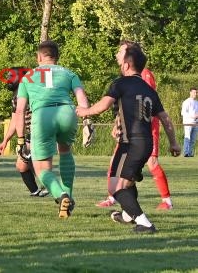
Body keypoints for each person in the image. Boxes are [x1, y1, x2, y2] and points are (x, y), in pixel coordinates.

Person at [77, 43, 181, 233]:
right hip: (145, 143)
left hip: (130, 143)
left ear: (127, 64)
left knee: (115, 187)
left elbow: (102, 106)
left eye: (120, 54)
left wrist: (84, 111)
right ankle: (127, 215)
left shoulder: (121, 83)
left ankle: (145, 223)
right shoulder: (149, 90)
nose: (117, 56)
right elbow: (165, 118)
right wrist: (174, 142)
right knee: (128, 182)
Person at [14, 41, 90, 218]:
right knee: (65, 151)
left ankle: (60, 195)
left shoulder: (28, 77)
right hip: (66, 112)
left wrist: (20, 140)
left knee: (41, 168)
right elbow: (82, 99)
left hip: (42, 116)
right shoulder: (69, 74)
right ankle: (69, 196)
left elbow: (20, 110)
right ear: (57, 57)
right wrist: (87, 121)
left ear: (39, 57)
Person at [96, 42, 174, 210]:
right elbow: (126, 104)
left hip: (144, 126)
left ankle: (166, 201)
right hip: (130, 129)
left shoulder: (143, 75)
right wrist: (117, 123)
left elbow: (141, 104)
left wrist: (85, 111)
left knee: (151, 162)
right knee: (119, 164)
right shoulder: (124, 78)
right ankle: (117, 200)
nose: (117, 53)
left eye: (121, 50)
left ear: (129, 57)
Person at [0, 67, 49, 197]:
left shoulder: (30, 93)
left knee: (29, 159)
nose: (8, 79)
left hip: (39, 132)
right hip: (30, 135)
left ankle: (51, 186)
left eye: (11, 76)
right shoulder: (16, 97)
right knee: (21, 166)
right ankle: (36, 192)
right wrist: (5, 141)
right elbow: (15, 120)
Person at [181, 87, 198, 157]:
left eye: (196, 92)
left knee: (193, 139)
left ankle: (190, 153)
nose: (195, 94)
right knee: (187, 137)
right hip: (188, 122)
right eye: (194, 92)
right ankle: (186, 152)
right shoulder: (186, 102)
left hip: (196, 123)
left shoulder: (197, 102)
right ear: (190, 92)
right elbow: (183, 113)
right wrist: (193, 116)